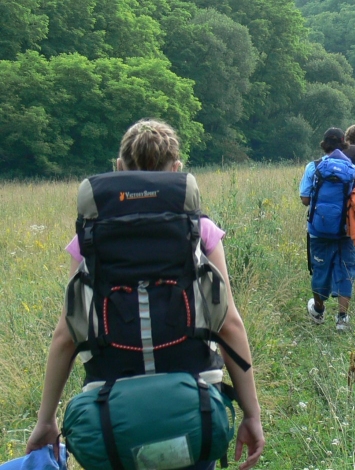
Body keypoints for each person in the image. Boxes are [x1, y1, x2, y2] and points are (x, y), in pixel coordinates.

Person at [26, 119, 265, 469]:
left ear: (119, 167)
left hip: (112, 415)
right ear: (177, 169)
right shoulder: (201, 231)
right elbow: (228, 324)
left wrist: (45, 421)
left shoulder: (88, 240)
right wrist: (251, 415)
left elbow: (66, 335)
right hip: (192, 406)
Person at [300, 128, 355, 331]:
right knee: (345, 270)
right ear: (343, 143)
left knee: (320, 269)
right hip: (345, 231)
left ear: (324, 144)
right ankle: (342, 319)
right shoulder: (352, 169)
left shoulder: (314, 167)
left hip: (318, 230)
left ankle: (318, 311)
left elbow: (304, 199)